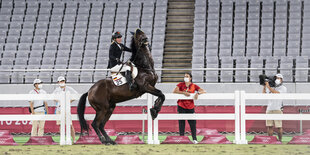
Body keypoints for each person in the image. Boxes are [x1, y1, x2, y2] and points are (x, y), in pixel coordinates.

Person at [173, 73, 206, 144]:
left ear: (190, 78)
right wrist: (183, 92)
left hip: (190, 107)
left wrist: (198, 93)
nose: (185, 77)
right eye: (185, 76)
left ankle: (194, 139)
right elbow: (174, 91)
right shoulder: (180, 84)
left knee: (193, 123)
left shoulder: (194, 85)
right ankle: (182, 138)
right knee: (181, 123)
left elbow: (203, 91)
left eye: (187, 76)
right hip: (181, 106)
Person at [53, 76, 78, 143]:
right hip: (59, 109)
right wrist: (60, 101)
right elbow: (53, 98)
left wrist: (69, 101)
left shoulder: (69, 89)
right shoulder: (56, 90)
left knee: (70, 125)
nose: (62, 82)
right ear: (58, 82)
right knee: (60, 125)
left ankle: (74, 139)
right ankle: (62, 139)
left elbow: (76, 95)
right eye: (60, 81)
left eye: (63, 81)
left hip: (67, 109)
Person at [263, 73, 287, 141]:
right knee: (269, 126)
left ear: (282, 80)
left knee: (279, 126)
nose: (277, 80)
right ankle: (271, 140)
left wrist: (268, 87)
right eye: (276, 78)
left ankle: (280, 140)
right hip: (269, 108)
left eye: (279, 78)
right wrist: (264, 86)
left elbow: (276, 93)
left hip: (278, 108)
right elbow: (264, 94)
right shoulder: (270, 87)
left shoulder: (283, 88)